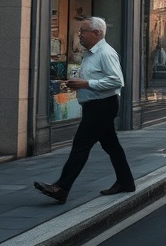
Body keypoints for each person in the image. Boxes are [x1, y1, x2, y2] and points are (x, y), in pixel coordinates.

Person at [34, 17, 135, 203]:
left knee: (81, 145)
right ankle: (126, 181)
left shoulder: (105, 53)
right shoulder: (90, 54)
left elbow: (117, 81)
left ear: (97, 33)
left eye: (83, 31)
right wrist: (79, 85)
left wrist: (86, 83)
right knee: (111, 144)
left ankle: (61, 188)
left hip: (102, 106)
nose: (80, 35)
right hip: (95, 106)